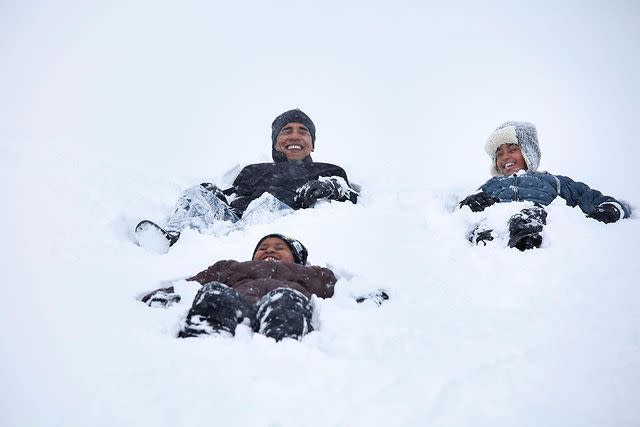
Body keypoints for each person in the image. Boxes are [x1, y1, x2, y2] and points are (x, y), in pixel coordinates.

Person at [135, 109, 359, 253]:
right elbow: (233, 195)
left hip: (278, 218)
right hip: (235, 221)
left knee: (267, 202)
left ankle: (221, 242)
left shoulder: (329, 170)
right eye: (286, 131)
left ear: (312, 143)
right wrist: (215, 194)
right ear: (275, 142)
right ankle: (175, 239)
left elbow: (350, 195)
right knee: (197, 192)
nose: (294, 136)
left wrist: (329, 186)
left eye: (303, 131)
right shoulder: (253, 170)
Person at [141, 234, 388, 341]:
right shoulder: (231, 267)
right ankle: (204, 345)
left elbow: (341, 289)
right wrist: (167, 294)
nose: (270, 249)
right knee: (215, 294)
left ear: (296, 258)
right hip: (236, 301)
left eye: (280, 247)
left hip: (285, 300)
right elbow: (195, 283)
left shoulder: (312, 273)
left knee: (285, 299)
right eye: (263, 247)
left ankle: (283, 351)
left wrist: (364, 295)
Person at [458, 121, 631, 251]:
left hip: (532, 220)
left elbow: (587, 196)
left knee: (528, 214)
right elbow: (457, 218)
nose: (505, 157)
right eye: (499, 154)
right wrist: (470, 202)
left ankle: (526, 244)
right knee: (485, 224)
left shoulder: (553, 181)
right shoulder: (490, 185)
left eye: (512, 150)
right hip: (494, 229)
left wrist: (608, 209)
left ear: (528, 152)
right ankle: (484, 252)